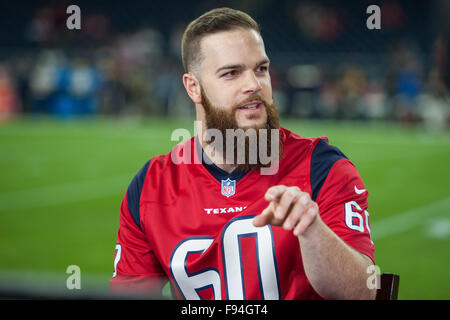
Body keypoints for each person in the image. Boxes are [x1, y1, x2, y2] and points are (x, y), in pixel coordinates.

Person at [110, 7, 376, 300]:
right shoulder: (151, 185)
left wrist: (312, 229)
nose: (253, 85)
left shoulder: (321, 168)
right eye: (231, 73)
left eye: (261, 69)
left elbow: (366, 293)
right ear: (193, 88)